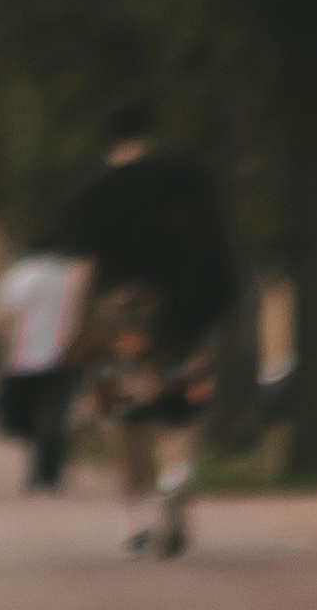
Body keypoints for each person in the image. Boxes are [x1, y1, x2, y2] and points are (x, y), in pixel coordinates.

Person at [49, 102, 238, 557]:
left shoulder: (95, 193)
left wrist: (71, 327)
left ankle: (136, 517)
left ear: (107, 138)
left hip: (123, 313)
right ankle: (176, 474)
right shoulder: (187, 179)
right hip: (184, 310)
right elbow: (218, 243)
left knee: (125, 413)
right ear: (150, 132)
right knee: (179, 407)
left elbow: (84, 268)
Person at [0, 247, 86, 491]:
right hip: (64, 355)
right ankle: (50, 470)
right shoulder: (73, 275)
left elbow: (6, 317)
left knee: (27, 416)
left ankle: (40, 468)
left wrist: (4, 356)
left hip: (24, 356)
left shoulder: (21, 275)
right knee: (53, 414)